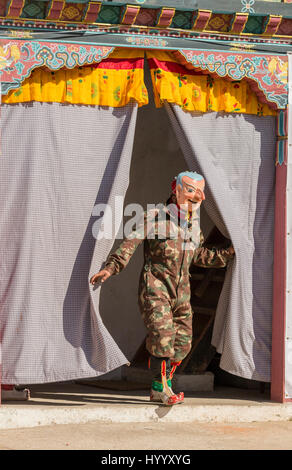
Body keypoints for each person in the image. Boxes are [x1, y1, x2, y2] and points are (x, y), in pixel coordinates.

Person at [90, 171, 235, 406]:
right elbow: (130, 244)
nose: (197, 197)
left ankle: (164, 380)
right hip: (155, 289)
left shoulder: (192, 226)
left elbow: (198, 255)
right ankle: (160, 388)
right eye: (190, 190)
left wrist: (229, 255)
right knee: (163, 338)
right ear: (175, 188)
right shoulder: (154, 217)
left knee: (183, 343)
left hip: (182, 293)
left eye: (200, 192)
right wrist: (111, 268)